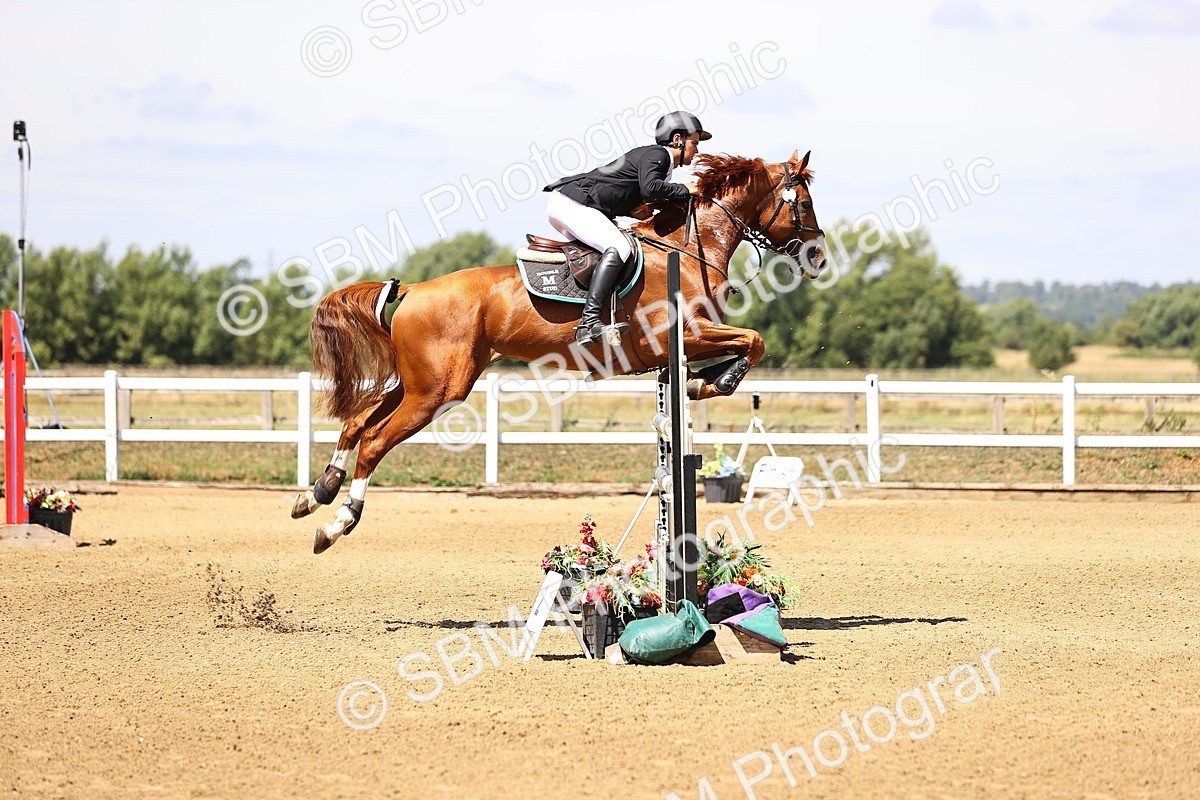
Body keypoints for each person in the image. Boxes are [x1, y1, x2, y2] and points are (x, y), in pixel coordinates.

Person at [544, 111, 711, 348]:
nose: (697, 150)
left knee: (610, 248)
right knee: (619, 247)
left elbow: (620, 191)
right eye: (694, 143)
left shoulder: (661, 163)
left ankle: (596, 312)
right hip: (571, 203)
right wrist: (686, 190)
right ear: (677, 139)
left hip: (572, 203)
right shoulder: (658, 155)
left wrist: (631, 211)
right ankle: (588, 322)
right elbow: (651, 188)